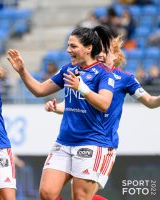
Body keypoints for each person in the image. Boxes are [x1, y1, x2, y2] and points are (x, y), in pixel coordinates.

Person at [45, 34, 160, 198]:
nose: (101, 54)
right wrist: (57, 107)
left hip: (101, 143)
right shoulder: (86, 73)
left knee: (81, 196)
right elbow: (74, 106)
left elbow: (149, 101)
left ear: (116, 55)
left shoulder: (125, 78)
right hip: (78, 141)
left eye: (106, 51)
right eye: (99, 50)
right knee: (58, 193)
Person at [8, 25, 115, 199]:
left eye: (73, 46)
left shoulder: (104, 74)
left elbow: (104, 104)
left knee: (80, 197)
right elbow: (40, 90)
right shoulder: (68, 69)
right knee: (46, 193)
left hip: (90, 143)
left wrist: (81, 87)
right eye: (68, 46)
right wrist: (22, 71)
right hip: (64, 142)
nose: (68, 50)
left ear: (88, 48)